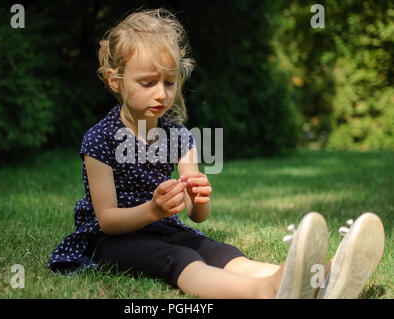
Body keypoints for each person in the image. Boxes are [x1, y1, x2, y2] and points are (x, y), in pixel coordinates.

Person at [48, 8, 385, 299]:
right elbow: (107, 220)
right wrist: (152, 209)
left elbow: (197, 215)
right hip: (112, 241)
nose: (161, 93)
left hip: (163, 226)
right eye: (148, 82)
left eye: (169, 82)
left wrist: (199, 196)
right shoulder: (100, 139)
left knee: (217, 250)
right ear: (115, 81)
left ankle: (317, 280)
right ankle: (265, 291)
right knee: (177, 259)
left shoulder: (177, 134)